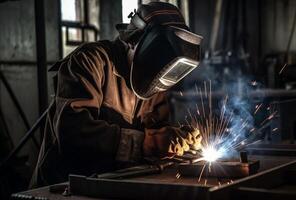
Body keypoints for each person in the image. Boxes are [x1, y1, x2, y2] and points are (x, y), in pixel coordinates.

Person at [30, 1, 202, 187]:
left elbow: (158, 131)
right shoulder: (90, 61)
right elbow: (73, 133)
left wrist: (176, 140)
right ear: (134, 42)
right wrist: (146, 143)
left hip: (114, 185)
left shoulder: (154, 82)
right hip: (63, 188)